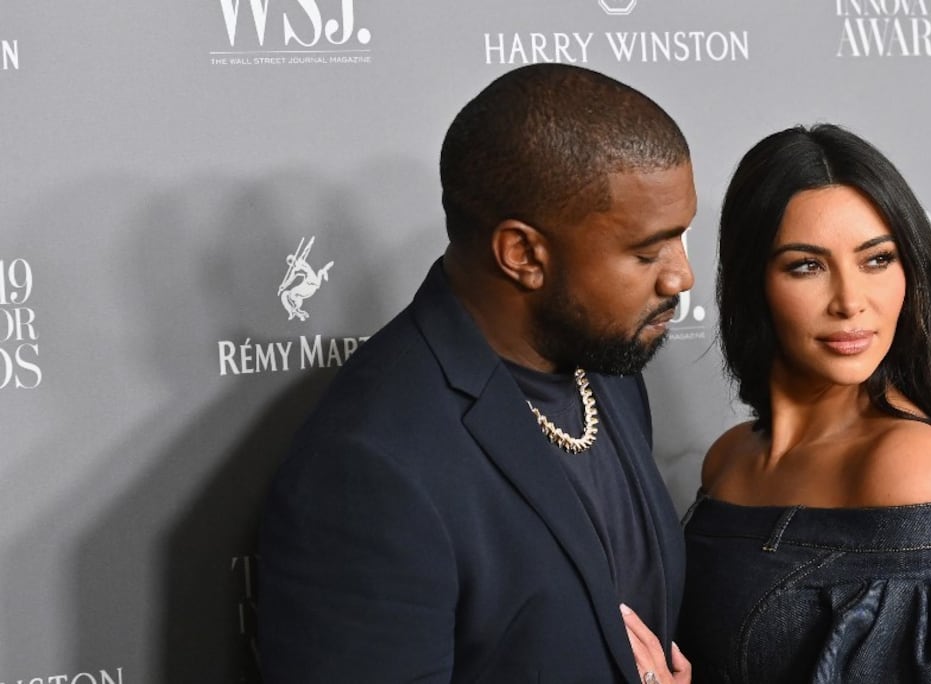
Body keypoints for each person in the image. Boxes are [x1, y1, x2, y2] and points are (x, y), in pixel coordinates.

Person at [258, 64, 694, 684]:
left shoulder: (609, 366)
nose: (681, 276)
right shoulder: (370, 466)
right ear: (522, 254)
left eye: (681, 239)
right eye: (647, 251)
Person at [678, 124, 931, 683]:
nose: (851, 302)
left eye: (877, 260)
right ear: (754, 284)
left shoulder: (907, 466)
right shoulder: (728, 459)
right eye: (807, 265)